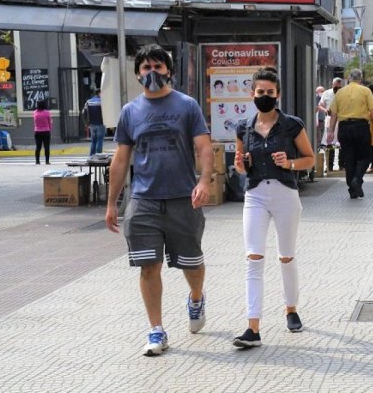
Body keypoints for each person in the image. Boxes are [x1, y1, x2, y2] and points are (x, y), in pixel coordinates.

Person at [105, 44, 213, 357]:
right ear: (138, 74)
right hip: (144, 201)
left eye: (158, 67)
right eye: (146, 68)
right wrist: (113, 203)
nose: (152, 73)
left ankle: (195, 297)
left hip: (183, 198)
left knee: (191, 264)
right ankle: (156, 329)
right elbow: (121, 159)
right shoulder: (130, 111)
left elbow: (204, 148)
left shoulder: (187, 106)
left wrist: (204, 181)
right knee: (148, 266)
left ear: (169, 70)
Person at [232, 66, 314, 348]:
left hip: (285, 194)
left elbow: (310, 159)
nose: (264, 96)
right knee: (253, 257)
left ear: (277, 94)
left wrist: (289, 163)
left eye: (269, 92)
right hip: (254, 194)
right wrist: (241, 165)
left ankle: (291, 309)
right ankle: (252, 327)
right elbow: (239, 165)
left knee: (286, 256)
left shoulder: (292, 125)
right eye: (260, 92)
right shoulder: (243, 126)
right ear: (251, 93)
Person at [328, 69, 373, 199]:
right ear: (360, 79)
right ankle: (357, 179)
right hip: (361, 127)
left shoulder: (340, 92)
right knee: (365, 157)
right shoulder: (365, 91)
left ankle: (352, 189)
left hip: (344, 128)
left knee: (349, 159)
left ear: (349, 78)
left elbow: (333, 113)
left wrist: (331, 132)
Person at [318, 77, 343, 171]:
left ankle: (342, 165)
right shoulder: (327, 93)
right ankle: (329, 166)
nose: (338, 90)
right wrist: (325, 110)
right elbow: (320, 105)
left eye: (339, 87)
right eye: (336, 87)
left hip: (341, 121)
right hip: (329, 121)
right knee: (329, 144)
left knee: (341, 144)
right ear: (332, 85)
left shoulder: (344, 94)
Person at [82, 89, 105, 156]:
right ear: (99, 93)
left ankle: (91, 156)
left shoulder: (88, 102)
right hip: (101, 123)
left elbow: (83, 112)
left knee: (93, 141)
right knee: (99, 140)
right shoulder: (102, 101)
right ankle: (98, 156)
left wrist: (86, 123)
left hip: (92, 124)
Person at [33, 100, 52, 165]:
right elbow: (49, 122)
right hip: (46, 131)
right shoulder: (47, 113)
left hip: (37, 131)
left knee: (38, 147)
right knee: (46, 147)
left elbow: (35, 122)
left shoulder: (35, 112)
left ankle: (37, 161)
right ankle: (47, 161)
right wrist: (50, 129)